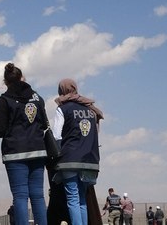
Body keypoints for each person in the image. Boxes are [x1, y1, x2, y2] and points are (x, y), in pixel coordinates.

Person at [0, 63, 49, 225]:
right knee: (38, 195)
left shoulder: (4, 99)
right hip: (38, 150)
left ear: (5, 81)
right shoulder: (38, 98)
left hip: (15, 152)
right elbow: (44, 125)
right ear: (22, 77)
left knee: (20, 196)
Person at [52, 78, 103, 225]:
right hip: (89, 160)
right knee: (82, 199)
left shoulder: (62, 109)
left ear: (62, 90)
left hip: (69, 159)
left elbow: (56, 135)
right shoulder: (91, 110)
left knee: (72, 198)